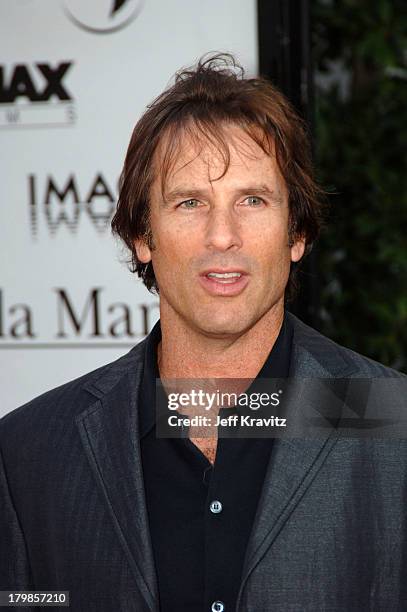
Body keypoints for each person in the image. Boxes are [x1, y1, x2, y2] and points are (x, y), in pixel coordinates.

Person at [1, 54, 406, 612]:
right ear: (143, 237)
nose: (223, 236)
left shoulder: (394, 427)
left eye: (253, 200)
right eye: (190, 202)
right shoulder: (32, 452)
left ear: (297, 234)